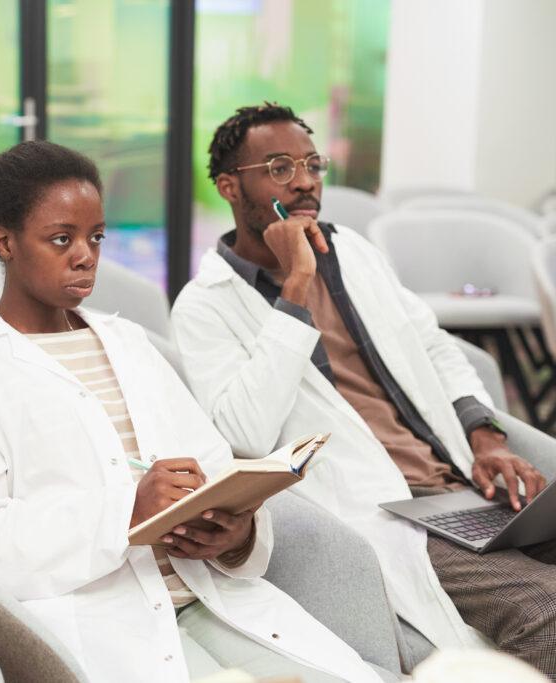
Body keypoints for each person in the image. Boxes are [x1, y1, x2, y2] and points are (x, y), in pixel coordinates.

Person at [0, 141, 388, 682]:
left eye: (95, 237)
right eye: (61, 239)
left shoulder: (129, 343)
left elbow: (211, 464)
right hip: (107, 625)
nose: (85, 255)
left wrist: (237, 532)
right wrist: (129, 512)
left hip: (213, 601)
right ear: (5, 242)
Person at [171, 102, 556, 674]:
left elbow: (433, 345)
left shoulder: (352, 251)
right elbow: (244, 433)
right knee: (546, 611)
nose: (304, 182)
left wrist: (486, 436)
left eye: (311, 164)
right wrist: (294, 288)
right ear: (231, 186)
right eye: (279, 167)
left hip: (460, 484)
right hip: (391, 511)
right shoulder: (205, 305)